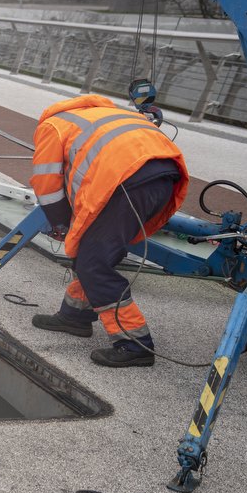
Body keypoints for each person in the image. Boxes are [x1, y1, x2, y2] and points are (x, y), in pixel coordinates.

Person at [29, 94, 188, 368]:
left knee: (93, 264)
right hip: (162, 178)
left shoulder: (52, 126)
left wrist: (61, 225)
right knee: (93, 250)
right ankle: (75, 316)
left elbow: (47, 187)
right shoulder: (105, 115)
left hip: (125, 183)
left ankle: (134, 344)